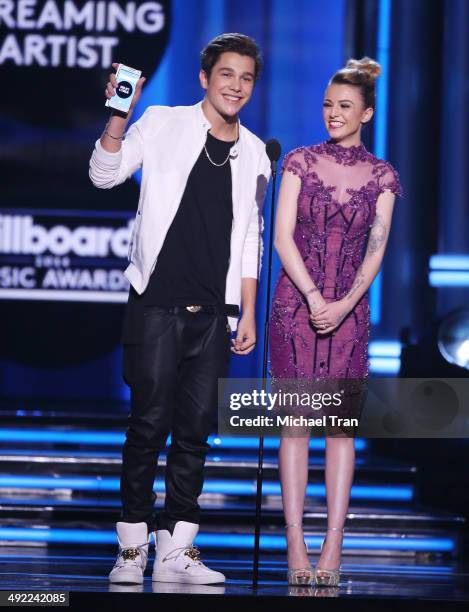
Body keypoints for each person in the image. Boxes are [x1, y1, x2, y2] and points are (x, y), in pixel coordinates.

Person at [89, 33, 270, 585]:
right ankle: (132, 546)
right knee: (148, 426)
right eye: (227, 74)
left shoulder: (256, 151)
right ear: (204, 78)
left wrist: (247, 310)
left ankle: (178, 546)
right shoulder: (164, 123)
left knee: (195, 430)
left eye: (246, 78)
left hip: (216, 312)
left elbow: (249, 238)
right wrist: (120, 117)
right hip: (156, 304)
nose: (236, 86)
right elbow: (104, 175)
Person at [269, 57, 402, 587]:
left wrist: (343, 304)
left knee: (340, 430)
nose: (333, 114)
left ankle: (332, 547)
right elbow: (282, 237)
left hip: (349, 311)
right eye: (328, 105)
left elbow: (377, 247)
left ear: (366, 112)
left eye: (345, 106)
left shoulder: (384, 175)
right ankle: (295, 544)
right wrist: (313, 296)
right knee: (295, 426)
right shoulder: (299, 162)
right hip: (294, 308)